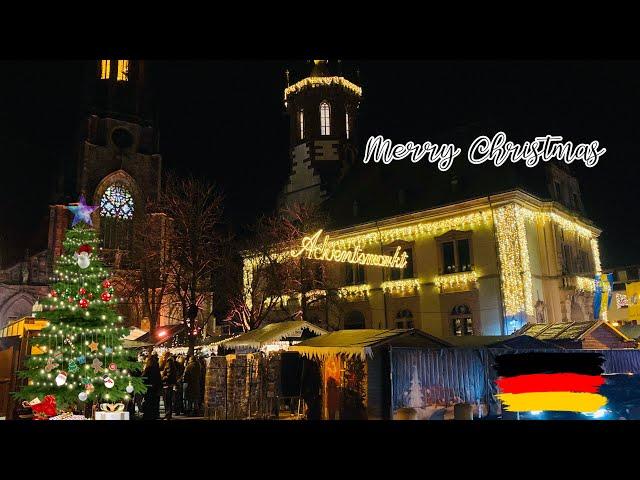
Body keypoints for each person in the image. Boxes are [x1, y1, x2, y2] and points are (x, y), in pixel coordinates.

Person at [141, 354, 162, 420]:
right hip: (155, 388)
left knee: (148, 402)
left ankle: (148, 415)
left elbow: (143, 378)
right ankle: (155, 415)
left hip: (149, 388)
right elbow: (159, 379)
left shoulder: (148, 369)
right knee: (155, 402)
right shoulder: (156, 369)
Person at [161, 354, 178, 420]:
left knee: (167, 400)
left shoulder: (168, 364)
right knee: (168, 400)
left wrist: (163, 378)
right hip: (170, 384)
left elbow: (168, 375)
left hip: (167, 384)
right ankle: (168, 414)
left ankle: (168, 414)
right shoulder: (172, 364)